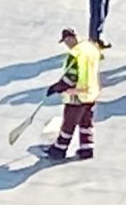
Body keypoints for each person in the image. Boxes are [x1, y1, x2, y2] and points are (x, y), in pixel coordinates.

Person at [42, 27, 101, 164]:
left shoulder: (75, 55)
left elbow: (71, 78)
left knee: (68, 123)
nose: (66, 44)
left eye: (66, 41)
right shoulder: (90, 48)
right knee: (86, 122)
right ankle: (87, 148)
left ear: (70, 38)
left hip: (77, 95)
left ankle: (58, 150)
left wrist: (57, 87)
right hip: (91, 92)